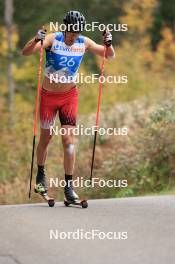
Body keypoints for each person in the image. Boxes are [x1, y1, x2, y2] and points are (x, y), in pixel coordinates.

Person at [22, 10, 115, 202]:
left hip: (69, 97)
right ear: (65, 29)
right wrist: (35, 39)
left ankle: (69, 187)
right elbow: (26, 52)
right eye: (72, 34)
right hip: (48, 97)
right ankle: (40, 176)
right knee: (46, 138)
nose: (74, 37)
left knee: (69, 142)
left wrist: (109, 43)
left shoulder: (84, 42)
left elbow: (109, 56)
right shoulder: (52, 39)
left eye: (77, 33)